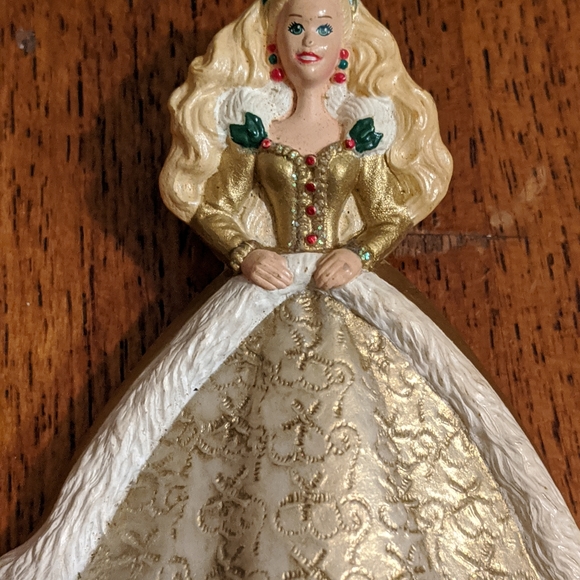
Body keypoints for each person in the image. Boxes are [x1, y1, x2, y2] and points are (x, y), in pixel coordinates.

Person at [1, 0, 579, 579]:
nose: (309, 41)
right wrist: (245, 253)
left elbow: (387, 214)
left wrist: (358, 254)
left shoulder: (360, 135)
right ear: (274, 43)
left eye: (324, 28)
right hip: (265, 290)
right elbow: (216, 207)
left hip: (348, 290)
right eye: (297, 27)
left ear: (345, 43)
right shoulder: (256, 133)